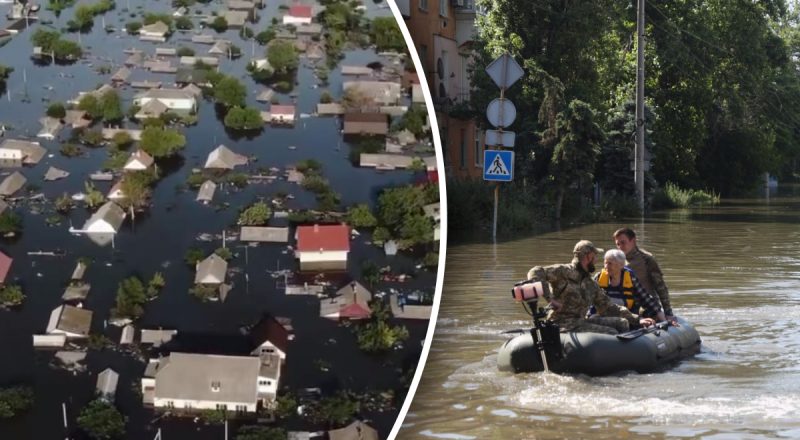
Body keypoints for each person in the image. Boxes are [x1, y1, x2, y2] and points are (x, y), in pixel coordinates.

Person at [526, 240, 648, 335]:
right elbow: (535, 272)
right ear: (588, 256)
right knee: (612, 333)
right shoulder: (563, 271)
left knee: (622, 323)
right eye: (595, 256)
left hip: (580, 322)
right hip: (561, 323)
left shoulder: (591, 284)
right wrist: (550, 299)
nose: (596, 261)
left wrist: (637, 319)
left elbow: (608, 307)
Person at [613, 228, 678, 324]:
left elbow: (660, 287)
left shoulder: (647, 259)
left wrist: (668, 313)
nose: (620, 247)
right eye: (618, 244)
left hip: (646, 306)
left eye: (623, 242)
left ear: (633, 241)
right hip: (625, 307)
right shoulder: (615, 261)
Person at [593, 249, 666, 327]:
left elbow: (646, 299)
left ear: (621, 265)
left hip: (629, 317)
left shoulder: (631, 278)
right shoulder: (598, 278)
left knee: (649, 312)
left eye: (610, 263)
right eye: (605, 263)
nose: (606, 266)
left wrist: (665, 320)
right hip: (604, 317)